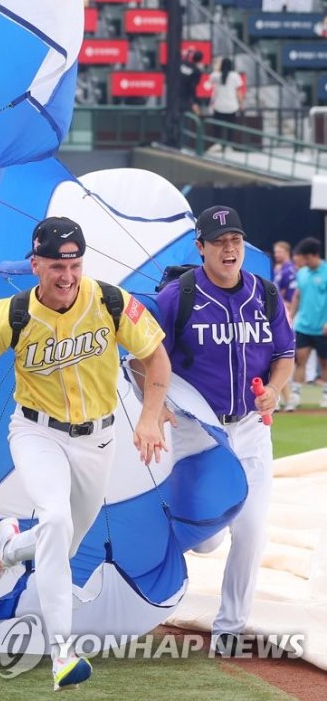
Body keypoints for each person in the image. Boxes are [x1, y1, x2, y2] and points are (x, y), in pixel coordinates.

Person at [0, 217, 171, 691]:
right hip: (37, 434)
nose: (67, 275)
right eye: (56, 265)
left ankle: (8, 548)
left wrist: (151, 415)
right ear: (35, 265)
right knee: (54, 521)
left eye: (74, 263)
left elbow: (155, 356)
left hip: (99, 440)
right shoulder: (9, 313)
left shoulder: (111, 301)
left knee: (63, 540)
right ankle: (62, 656)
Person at [155, 207, 294, 656]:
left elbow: (284, 355)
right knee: (207, 536)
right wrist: (154, 405)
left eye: (235, 239)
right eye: (219, 241)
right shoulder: (179, 297)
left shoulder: (265, 293)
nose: (229, 248)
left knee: (252, 530)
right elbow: (149, 358)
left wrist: (273, 389)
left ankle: (230, 628)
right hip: (200, 433)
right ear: (201, 248)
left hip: (252, 429)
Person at [289, 237, 327, 408]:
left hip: (322, 328)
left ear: (314, 255)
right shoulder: (302, 272)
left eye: (306, 257)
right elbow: (297, 295)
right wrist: (290, 316)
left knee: (324, 363)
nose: (302, 260)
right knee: (299, 360)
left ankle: (325, 395)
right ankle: (295, 397)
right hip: (303, 326)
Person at [273, 241, 298, 411]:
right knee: (273, 357)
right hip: (278, 315)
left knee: (280, 355)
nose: (276, 254)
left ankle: (289, 397)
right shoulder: (278, 270)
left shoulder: (290, 271)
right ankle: (284, 398)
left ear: (287, 252)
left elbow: (289, 298)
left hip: (284, 317)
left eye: (279, 251)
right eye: (275, 251)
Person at [209, 57, 244, 150]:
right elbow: (238, 92)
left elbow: (212, 78)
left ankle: (217, 144)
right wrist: (241, 104)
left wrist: (218, 67)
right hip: (232, 106)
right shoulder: (235, 76)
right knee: (230, 127)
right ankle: (229, 145)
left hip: (219, 106)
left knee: (217, 127)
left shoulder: (215, 75)